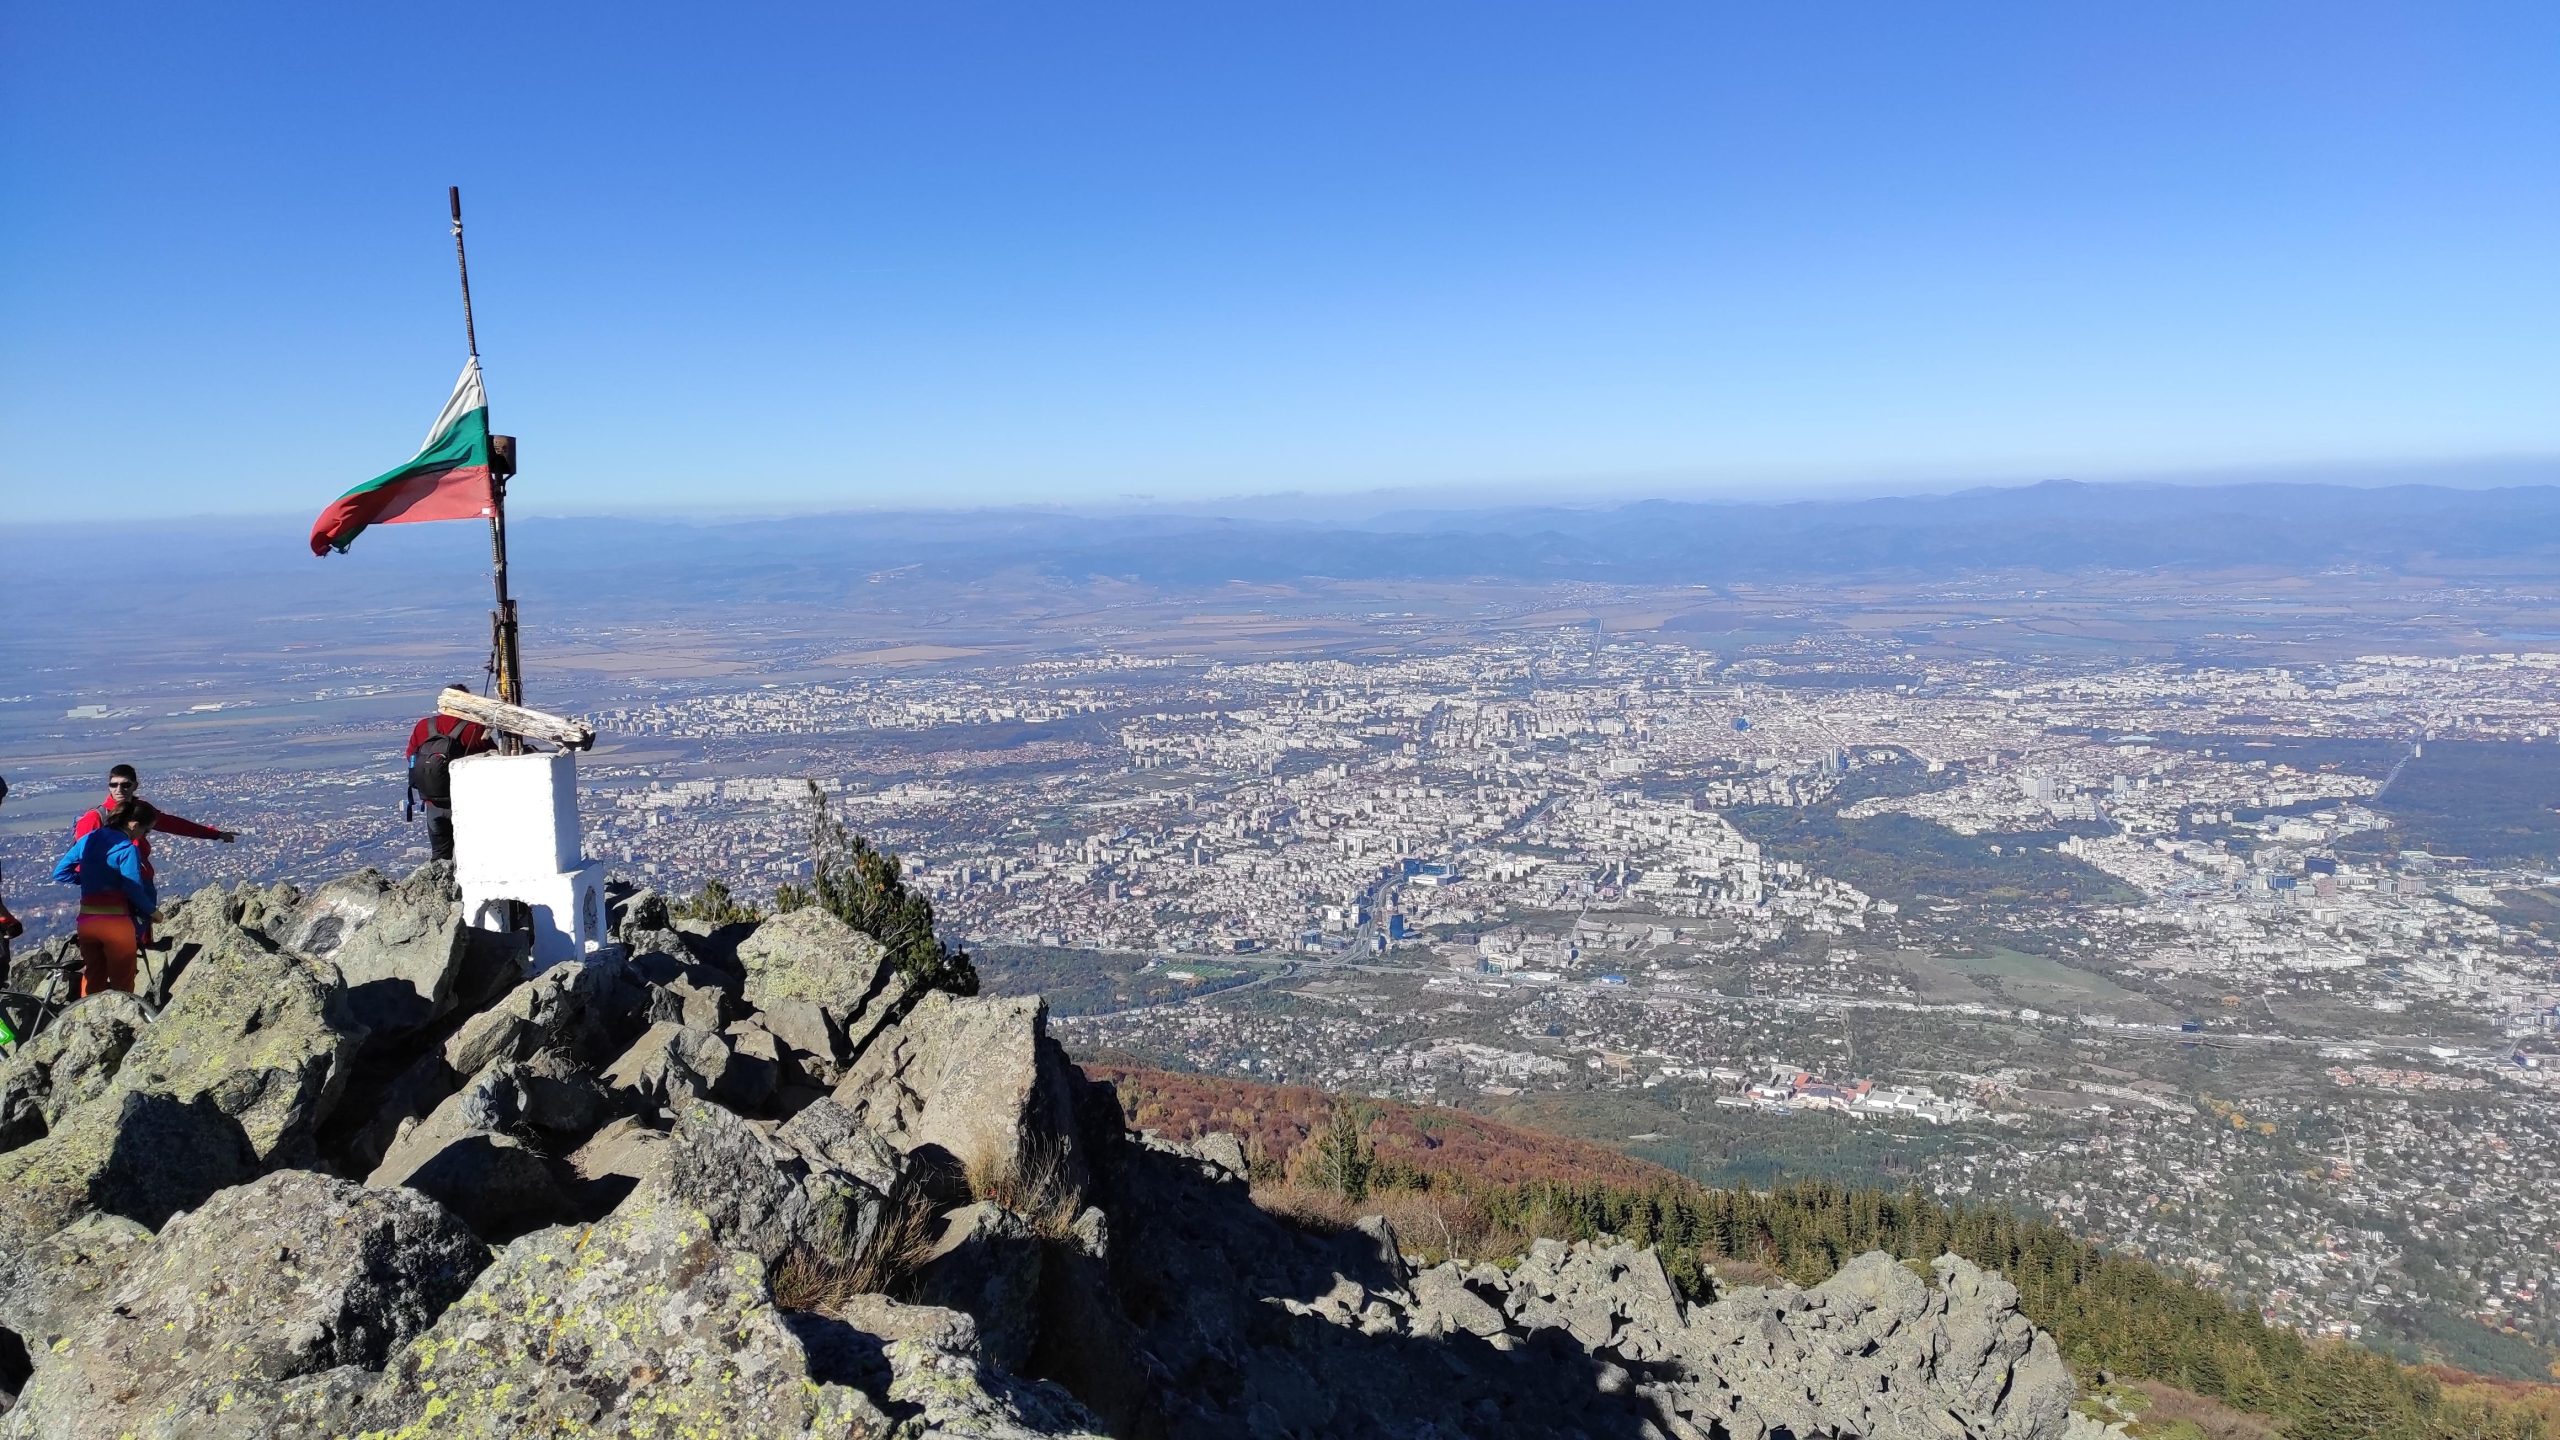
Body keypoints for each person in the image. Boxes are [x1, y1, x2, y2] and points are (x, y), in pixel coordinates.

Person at [52, 799, 158, 997]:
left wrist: (90, 880)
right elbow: (134, 889)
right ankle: (120, 1014)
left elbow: (60, 872)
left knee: (93, 975)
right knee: (122, 979)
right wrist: (153, 912)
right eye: (146, 831)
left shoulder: (87, 840)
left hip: (87, 921)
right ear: (134, 825)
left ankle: (86, 1012)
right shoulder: (127, 849)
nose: (144, 835)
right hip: (116, 922)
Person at [71, 763, 235, 887]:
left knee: (144, 923)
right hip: (111, 886)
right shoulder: (96, 817)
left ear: (135, 786)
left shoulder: (140, 810)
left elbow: (173, 824)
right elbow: (80, 857)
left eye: (125, 785)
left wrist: (215, 834)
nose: (119, 789)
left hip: (141, 880)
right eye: (114, 785)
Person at [407, 685, 496, 863]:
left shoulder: (424, 726)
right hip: (465, 803)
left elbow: (411, 756)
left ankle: (439, 880)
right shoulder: (474, 729)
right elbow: (493, 757)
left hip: (433, 802)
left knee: (440, 857)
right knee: (472, 857)